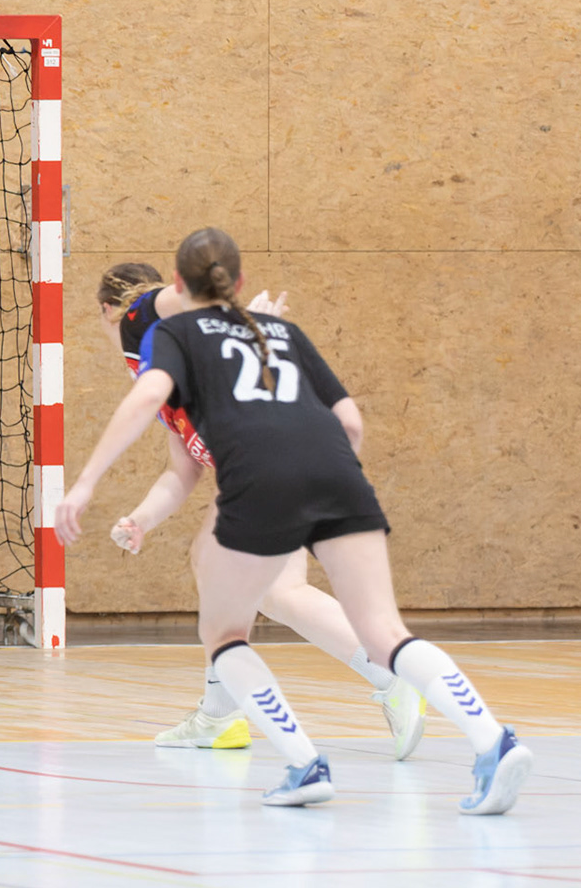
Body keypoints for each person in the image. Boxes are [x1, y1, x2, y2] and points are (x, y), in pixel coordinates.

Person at [59, 229, 532, 812]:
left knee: (225, 629)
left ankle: (301, 761)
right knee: (380, 631)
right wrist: (146, 517)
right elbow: (347, 424)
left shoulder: (161, 332)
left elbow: (147, 387)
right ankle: (494, 741)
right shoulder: (276, 333)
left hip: (259, 479)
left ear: (174, 285)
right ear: (237, 282)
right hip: (333, 467)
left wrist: (85, 483)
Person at [96, 262, 426, 760]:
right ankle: (222, 715)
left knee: (244, 581)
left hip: (276, 460)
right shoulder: (168, 385)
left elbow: (175, 297)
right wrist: (141, 519)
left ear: (107, 309)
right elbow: (181, 472)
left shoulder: (138, 323)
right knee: (260, 587)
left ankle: (388, 673)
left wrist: (241, 319)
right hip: (286, 459)